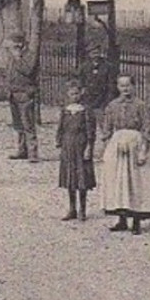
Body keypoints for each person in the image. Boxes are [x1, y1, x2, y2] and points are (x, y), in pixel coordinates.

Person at [98, 74, 150, 234]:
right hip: (116, 146)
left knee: (136, 182)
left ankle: (136, 220)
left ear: (134, 86)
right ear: (117, 87)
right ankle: (121, 219)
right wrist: (105, 149)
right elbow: (106, 128)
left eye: (128, 85)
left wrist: (144, 150)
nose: (125, 89)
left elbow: (147, 128)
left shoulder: (140, 105)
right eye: (122, 86)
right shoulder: (112, 106)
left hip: (134, 144)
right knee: (118, 182)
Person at [56, 81, 96, 221]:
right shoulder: (65, 110)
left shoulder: (86, 111)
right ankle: (72, 208)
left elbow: (91, 131)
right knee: (70, 178)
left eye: (77, 93)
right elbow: (61, 128)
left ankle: (82, 210)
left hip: (81, 145)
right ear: (68, 94)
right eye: (72, 94)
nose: (74, 96)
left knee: (81, 179)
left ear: (81, 93)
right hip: (68, 146)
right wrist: (59, 142)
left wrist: (89, 148)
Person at [5, 31, 40, 162]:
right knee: (18, 124)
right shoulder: (11, 57)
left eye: (11, 45)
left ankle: (33, 153)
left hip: (25, 94)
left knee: (28, 124)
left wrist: (18, 57)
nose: (8, 49)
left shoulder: (29, 56)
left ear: (19, 45)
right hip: (13, 94)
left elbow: (28, 70)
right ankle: (21, 150)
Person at [78, 42, 118, 153]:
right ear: (89, 53)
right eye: (92, 52)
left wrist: (108, 102)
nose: (95, 54)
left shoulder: (107, 67)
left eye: (97, 52)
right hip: (88, 101)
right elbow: (80, 84)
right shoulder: (84, 67)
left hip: (102, 102)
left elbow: (111, 86)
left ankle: (108, 150)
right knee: (88, 127)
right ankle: (89, 148)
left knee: (105, 127)